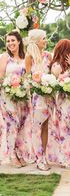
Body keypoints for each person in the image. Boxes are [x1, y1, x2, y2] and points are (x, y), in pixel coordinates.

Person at [0, 31, 31, 167]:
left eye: (13, 40)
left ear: (19, 42)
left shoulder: (25, 58)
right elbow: (0, 77)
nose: (10, 43)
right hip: (8, 96)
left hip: (23, 97)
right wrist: (9, 87)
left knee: (21, 126)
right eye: (8, 41)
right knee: (11, 125)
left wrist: (23, 86)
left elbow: (28, 77)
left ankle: (19, 152)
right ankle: (11, 154)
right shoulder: (5, 57)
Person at [48, 39, 70, 169]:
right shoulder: (56, 65)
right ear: (65, 50)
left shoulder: (68, 64)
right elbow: (55, 85)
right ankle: (63, 159)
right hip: (63, 101)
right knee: (64, 129)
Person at [25, 29, 53, 171]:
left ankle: (44, 155)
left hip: (49, 96)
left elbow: (54, 73)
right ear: (36, 41)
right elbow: (28, 78)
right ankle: (39, 159)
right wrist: (39, 84)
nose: (46, 40)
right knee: (36, 128)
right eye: (44, 38)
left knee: (46, 127)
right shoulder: (29, 57)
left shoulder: (48, 56)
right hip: (37, 97)